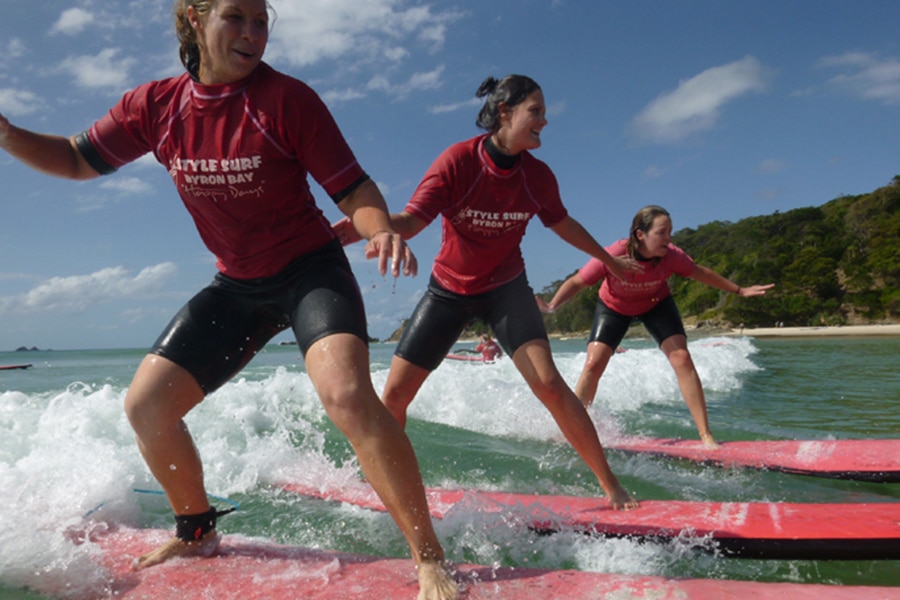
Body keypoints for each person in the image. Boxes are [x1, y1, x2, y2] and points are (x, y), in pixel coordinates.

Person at [0, 2, 459, 598]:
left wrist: (381, 230)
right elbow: (74, 158)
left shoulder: (287, 101)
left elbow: (352, 187)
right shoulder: (156, 107)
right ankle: (196, 531)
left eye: (261, 21)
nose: (251, 34)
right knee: (147, 408)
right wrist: (8, 134)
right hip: (237, 286)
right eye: (235, 17)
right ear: (195, 17)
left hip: (309, 273)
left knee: (347, 395)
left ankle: (429, 557)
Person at [335, 74, 639, 510]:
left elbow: (563, 225)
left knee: (551, 384)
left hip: (506, 289)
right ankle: (372, 481)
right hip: (449, 290)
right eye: (536, 111)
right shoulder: (458, 161)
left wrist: (609, 261)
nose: (544, 121)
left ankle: (611, 485)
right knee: (395, 396)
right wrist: (373, 227)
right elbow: (413, 220)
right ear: (504, 113)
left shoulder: (538, 177)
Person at [539, 205, 774, 449]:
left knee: (682, 358)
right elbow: (578, 281)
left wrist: (739, 290)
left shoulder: (671, 256)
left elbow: (700, 273)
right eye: (662, 232)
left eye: (670, 232)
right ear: (640, 234)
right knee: (593, 364)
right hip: (613, 308)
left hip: (656, 304)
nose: (668, 238)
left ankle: (706, 436)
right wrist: (552, 305)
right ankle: (572, 431)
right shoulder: (615, 254)